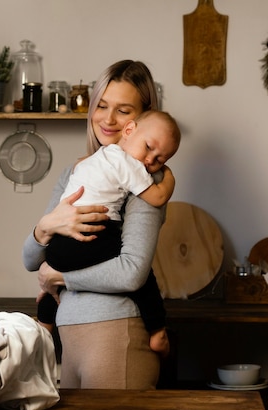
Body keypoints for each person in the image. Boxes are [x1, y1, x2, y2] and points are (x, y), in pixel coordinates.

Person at [22, 60, 171, 390]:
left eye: (123, 110)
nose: (108, 118)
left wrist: (60, 277)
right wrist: (45, 227)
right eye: (101, 105)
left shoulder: (145, 180)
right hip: (70, 341)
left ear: (141, 119)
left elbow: (132, 272)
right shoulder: (76, 173)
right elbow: (31, 260)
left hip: (116, 336)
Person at [39, 110, 180, 354]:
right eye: (148, 147)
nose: (149, 160)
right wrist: (168, 177)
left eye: (160, 159)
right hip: (92, 233)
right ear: (128, 130)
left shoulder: (95, 159)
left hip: (58, 245)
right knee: (143, 277)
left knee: (55, 283)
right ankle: (157, 331)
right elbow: (157, 197)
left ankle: (44, 323)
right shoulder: (129, 165)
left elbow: (32, 257)